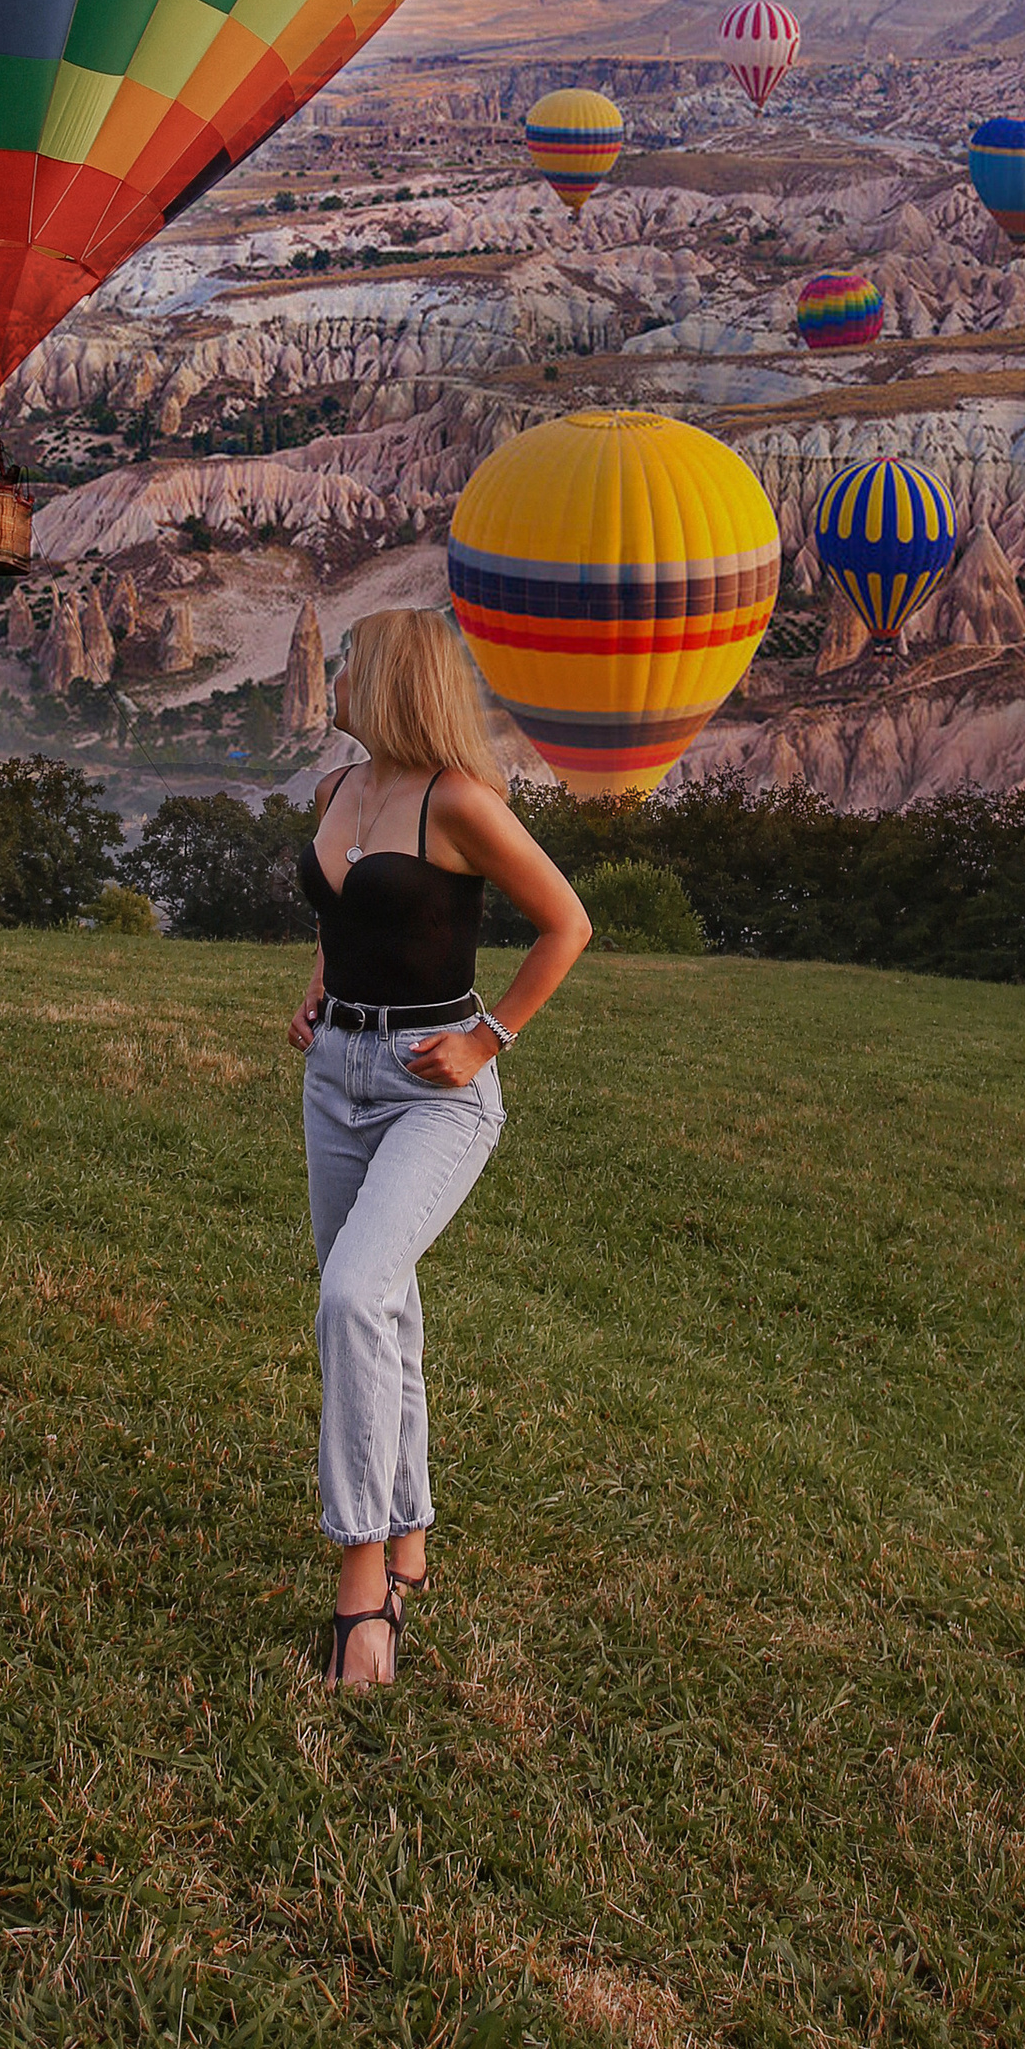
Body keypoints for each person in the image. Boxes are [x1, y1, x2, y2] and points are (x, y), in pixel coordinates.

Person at [288, 606, 592, 1691]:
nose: (328, 674)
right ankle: (410, 1537)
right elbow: (341, 914)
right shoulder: (338, 791)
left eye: (347, 662)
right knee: (384, 1311)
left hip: (433, 1088)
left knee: (351, 1295)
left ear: (390, 680)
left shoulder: (458, 800)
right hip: (337, 1078)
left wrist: (488, 1035)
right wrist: (319, 988)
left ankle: (362, 1585)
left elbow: (567, 922)